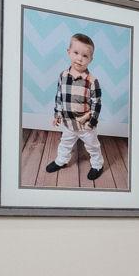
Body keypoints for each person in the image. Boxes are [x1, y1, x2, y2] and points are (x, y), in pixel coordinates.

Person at [46, 32, 104, 181]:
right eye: (76, 53)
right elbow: (59, 96)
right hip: (68, 122)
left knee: (93, 146)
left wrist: (92, 122)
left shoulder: (92, 81)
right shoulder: (63, 76)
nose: (79, 58)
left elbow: (96, 104)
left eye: (85, 56)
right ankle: (61, 161)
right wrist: (57, 114)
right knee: (65, 143)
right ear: (69, 52)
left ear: (91, 59)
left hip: (85, 125)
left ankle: (97, 164)